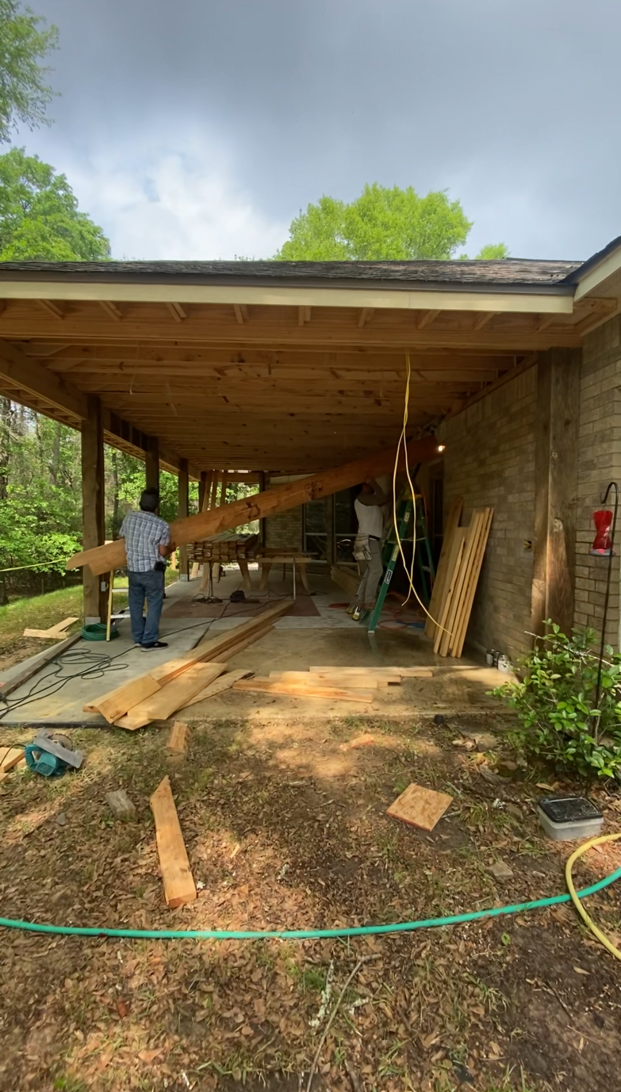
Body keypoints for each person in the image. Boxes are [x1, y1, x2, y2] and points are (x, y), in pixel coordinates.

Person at [119, 489, 175, 650]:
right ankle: (149, 640)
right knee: (154, 603)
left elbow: (122, 536)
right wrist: (172, 547)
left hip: (134, 569)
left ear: (140, 504)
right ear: (157, 507)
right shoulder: (162, 525)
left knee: (135, 604)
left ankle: (137, 637)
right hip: (152, 570)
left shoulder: (129, 518)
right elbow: (162, 551)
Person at [350, 477, 388, 619]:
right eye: (366, 485)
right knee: (377, 570)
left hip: (363, 539)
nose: (369, 487)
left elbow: (383, 499)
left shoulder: (367, 502)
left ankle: (360, 602)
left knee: (368, 573)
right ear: (362, 488)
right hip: (368, 539)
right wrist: (373, 482)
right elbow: (382, 497)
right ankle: (369, 601)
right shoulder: (363, 498)